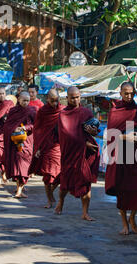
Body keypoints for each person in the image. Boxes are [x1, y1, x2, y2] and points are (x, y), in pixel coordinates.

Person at [105, 82, 137, 235]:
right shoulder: (115, 111)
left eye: (131, 93)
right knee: (123, 192)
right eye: (126, 93)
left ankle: (132, 218)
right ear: (120, 92)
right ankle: (125, 223)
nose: (129, 96)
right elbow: (110, 135)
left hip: (136, 156)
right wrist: (125, 136)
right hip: (120, 157)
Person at [55, 86, 100, 221]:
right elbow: (66, 134)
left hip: (84, 154)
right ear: (67, 98)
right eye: (72, 97)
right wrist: (83, 143)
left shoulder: (86, 112)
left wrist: (93, 132)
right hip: (70, 153)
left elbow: (94, 130)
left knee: (86, 181)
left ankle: (85, 212)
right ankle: (61, 202)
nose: (75, 100)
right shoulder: (63, 115)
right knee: (65, 183)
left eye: (77, 97)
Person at [29, 89, 65, 208]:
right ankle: (49, 199)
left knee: (60, 174)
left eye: (56, 100)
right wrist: (37, 147)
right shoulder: (43, 111)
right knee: (48, 175)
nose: (55, 104)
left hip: (59, 146)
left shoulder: (63, 110)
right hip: (46, 145)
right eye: (52, 101)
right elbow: (38, 129)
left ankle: (51, 193)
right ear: (47, 99)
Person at [3, 91, 36, 198]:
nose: (26, 103)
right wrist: (14, 129)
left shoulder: (32, 110)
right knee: (18, 165)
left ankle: (20, 188)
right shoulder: (13, 111)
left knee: (25, 165)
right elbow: (7, 125)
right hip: (15, 141)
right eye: (23, 100)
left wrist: (25, 128)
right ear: (19, 100)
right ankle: (19, 189)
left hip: (27, 142)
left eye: (27, 100)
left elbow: (36, 125)